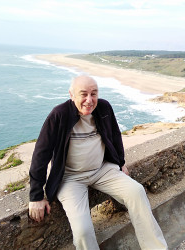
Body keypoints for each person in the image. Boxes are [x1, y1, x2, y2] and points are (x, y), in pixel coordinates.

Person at [29, 75, 168, 250]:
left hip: (102, 170)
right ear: (71, 95)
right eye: (83, 94)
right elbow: (41, 154)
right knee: (82, 230)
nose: (89, 100)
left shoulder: (104, 107)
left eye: (93, 94)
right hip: (71, 178)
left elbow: (115, 135)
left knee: (137, 192)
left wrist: (120, 162)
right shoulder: (59, 115)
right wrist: (36, 196)